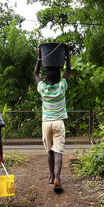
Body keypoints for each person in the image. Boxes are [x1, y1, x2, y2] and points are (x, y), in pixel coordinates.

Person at [34, 43, 71, 193]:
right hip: (58, 123)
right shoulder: (62, 88)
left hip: (46, 124)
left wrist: (39, 57)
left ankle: (50, 176)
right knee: (58, 152)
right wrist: (67, 54)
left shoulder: (42, 89)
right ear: (58, 79)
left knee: (49, 151)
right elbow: (68, 70)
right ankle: (57, 178)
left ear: (47, 79)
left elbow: (36, 74)